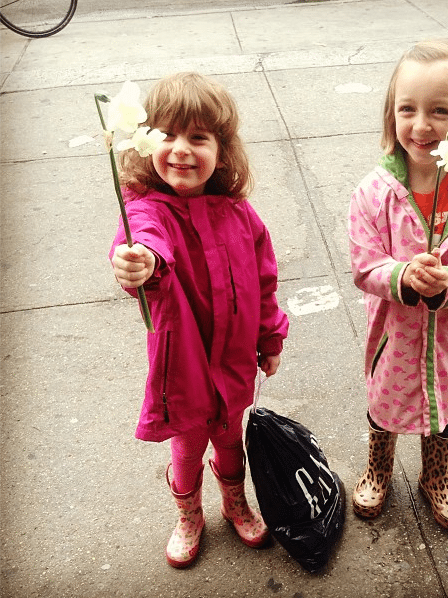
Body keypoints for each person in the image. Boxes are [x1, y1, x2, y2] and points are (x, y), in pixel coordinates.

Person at [109, 72, 289, 567]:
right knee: (187, 447)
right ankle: (189, 513)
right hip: (184, 369)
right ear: (146, 144)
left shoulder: (240, 215)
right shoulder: (148, 213)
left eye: (198, 137)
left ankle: (234, 500)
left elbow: (266, 282)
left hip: (232, 363)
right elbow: (145, 243)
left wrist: (270, 339)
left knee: (231, 441)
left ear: (222, 152)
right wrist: (140, 261)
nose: (182, 149)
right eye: (167, 134)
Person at [348, 40, 448, 530]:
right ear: (391, 113)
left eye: (440, 110)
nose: (421, 125)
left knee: (445, 407)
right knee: (386, 404)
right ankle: (379, 466)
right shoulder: (375, 192)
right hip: (396, 331)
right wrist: (401, 277)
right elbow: (364, 261)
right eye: (407, 109)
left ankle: (435, 476)